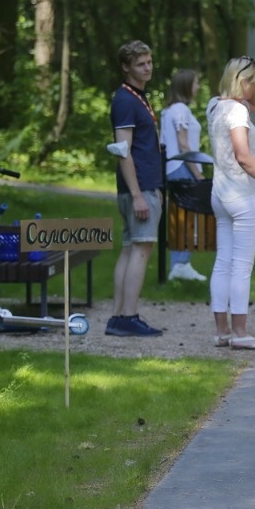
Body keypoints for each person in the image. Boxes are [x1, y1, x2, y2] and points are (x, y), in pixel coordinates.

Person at [206, 56, 255, 350]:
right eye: (253, 82)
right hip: (243, 196)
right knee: (241, 266)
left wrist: (247, 84)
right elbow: (243, 156)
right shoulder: (238, 112)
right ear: (243, 82)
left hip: (220, 195)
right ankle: (240, 333)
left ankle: (222, 331)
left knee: (223, 262)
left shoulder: (215, 106)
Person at [107, 40, 164, 337]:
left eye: (149, 61)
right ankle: (128, 315)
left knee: (130, 249)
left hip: (141, 186)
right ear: (126, 67)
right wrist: (139, 194)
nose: (147, 67)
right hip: (139, 188)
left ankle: (118, 316)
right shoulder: (126, 101)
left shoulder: (136, 97)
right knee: (141, 249)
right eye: (141, 63)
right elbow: (122, 150)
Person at [160, 68, 207, 282]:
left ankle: (180, 263)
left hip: (173, 168)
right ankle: (180, 264)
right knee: (187, 219)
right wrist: (197, 173)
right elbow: (183, 144)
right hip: (182, 168)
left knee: (181, 219)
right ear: (187, 85)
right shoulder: (180, 110)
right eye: (196, 82)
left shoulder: (172, 109)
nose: (198, 87)